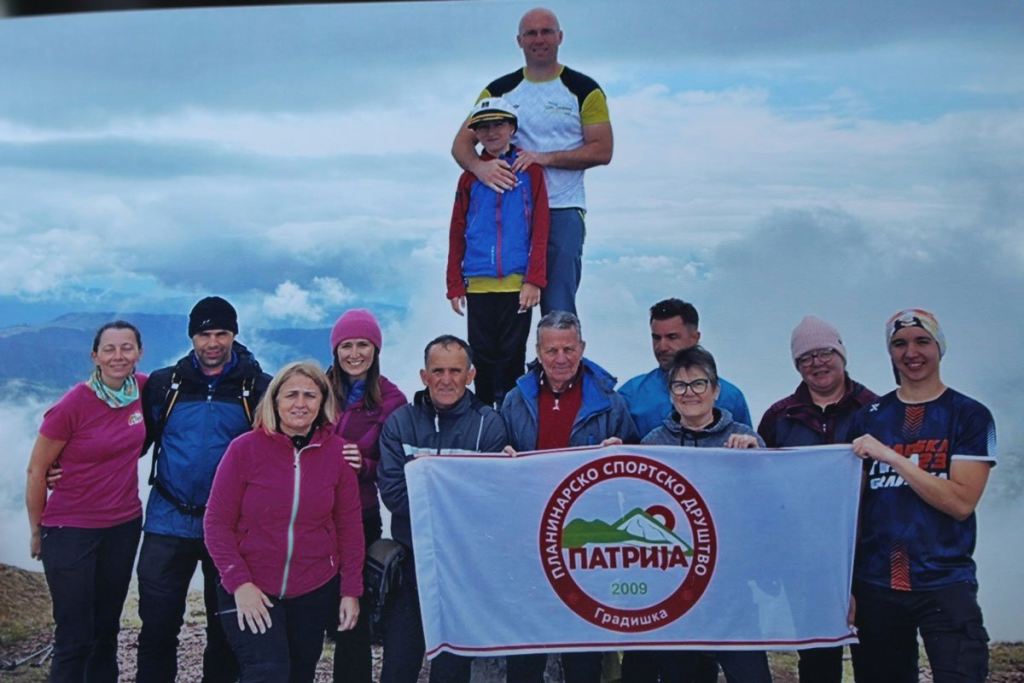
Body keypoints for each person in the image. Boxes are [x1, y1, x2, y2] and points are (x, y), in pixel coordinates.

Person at [850, 309, 995, 683]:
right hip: (877, 582)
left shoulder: (969, 415)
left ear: (939, 348)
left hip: (945, 580)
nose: (911, 352)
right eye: (899, 344)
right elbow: (851, 508)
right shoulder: (870, 417)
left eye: (922, 341)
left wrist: (893, 457)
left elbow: (961, 503)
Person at [136, 296, 272, 683]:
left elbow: (278, 451)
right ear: (192, 336)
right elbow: (130, 442)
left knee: (226, 634)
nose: (213, 342)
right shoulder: (165, 385)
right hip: (167, 522)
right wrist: (65, 466)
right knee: (157, 631)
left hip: (228, 528)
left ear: (234, 334)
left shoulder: (257, 388)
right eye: (204, 334)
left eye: (222, 333)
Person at [203, 361, 364, 683]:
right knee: (268, 673)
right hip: (252, 586)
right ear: (275, 401)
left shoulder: (338, 454)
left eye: (310, 395)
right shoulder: (244, 449)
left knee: (300, 674)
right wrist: (240, 583)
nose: (300, 404)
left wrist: (350, 591)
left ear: (323, 403)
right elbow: (216, 522)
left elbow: (350, 527)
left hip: (313, 587)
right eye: (291, 395)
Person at [501, 311, 638, 683]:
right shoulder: (517, 399)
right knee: (527, 647)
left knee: (582, 649)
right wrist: (504, 459)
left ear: (582, 348)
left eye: (568, 349)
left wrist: (621, 455)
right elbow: (500, 462)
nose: (560, 358)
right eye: (551, 350)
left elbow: (640, 474)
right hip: (530, 536)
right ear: (538, 351)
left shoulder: (611, 401)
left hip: (587, 542)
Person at [452, 7, 613, 316]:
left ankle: (559, 363)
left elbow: (602, 150)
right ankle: (513, 367)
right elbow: (461, 145)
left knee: (558, 307)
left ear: (560, 37)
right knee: (505, 312)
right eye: (531, 33)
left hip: (561, 208)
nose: (539, 39)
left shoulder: (583, 89)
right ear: (519, 41)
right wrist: (480, 168)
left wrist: (542, 158)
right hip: (508, 212)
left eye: (547, 32)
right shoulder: (498, 90)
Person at [632, 345, 771, 683]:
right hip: (677, 592)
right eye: (680, 385)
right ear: (670, 393)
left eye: (699, 384)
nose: (689, 393)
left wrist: (757, 461)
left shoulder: (744, 438)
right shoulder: (653, 444)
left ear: (716, 389)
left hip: (733, 591)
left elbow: (769, 505)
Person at [377, 335, 508, 683]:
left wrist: (425, 481)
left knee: (451, 673)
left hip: (464, 572)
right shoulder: (400, 423)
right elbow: (394, 496)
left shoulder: (489, 425)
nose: (446, 380)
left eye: (455, 370)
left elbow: (490, 502)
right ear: (423, 375)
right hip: (411, 569)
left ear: (470, 375)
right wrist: (455, 494)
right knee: (397, 668)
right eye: (438, 371)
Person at [756, 315, 877, 683]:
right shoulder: (779, 417)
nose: (817, 363)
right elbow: (763, 491)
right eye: (805, 358)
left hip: (867, 553)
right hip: (804, 558)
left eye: (825, 352)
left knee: (875, 655)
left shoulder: (876, 410)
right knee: (817, 660)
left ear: (842, 354)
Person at [25, 321, 146, 683]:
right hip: (70, 529)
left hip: (123, 526)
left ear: (139, 353)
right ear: (94, 355)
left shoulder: (143, 389)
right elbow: (36, 470)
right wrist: (36, 530)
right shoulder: (73, 404)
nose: (118, 356)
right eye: (109, 348)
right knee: (75, 634)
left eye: (127, 347)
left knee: (106, 629)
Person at [447, 97, 550, 408]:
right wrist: (454, 283)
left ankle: (509, 417)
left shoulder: (530, 173)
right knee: (482, 354)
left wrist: (534, 279)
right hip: (478, 282)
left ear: (512, 128)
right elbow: (457, 230)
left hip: (517, 284)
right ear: (475, 133)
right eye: (483, 127)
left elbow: (541, 228)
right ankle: (483, 420)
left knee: (512, 355)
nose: (491, 132)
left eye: (498, 124)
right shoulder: (469, 177)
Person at [325, 309, 408, 683]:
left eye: (363, 345)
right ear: (335, 350)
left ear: (376, 349)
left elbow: (396, 463)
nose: (354, 353)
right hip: (312, 516)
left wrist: (365, 466)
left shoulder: (392, 400)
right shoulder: (316, 388)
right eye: (346, 345)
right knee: (309, 608)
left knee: (352, 613)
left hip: (361, 514)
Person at [619, 298, 751, 437]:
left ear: (695, 338)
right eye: (656, 338)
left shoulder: (731, 397)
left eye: (672, 337)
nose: (662, 347)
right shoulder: (630, 395)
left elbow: (748, 454)